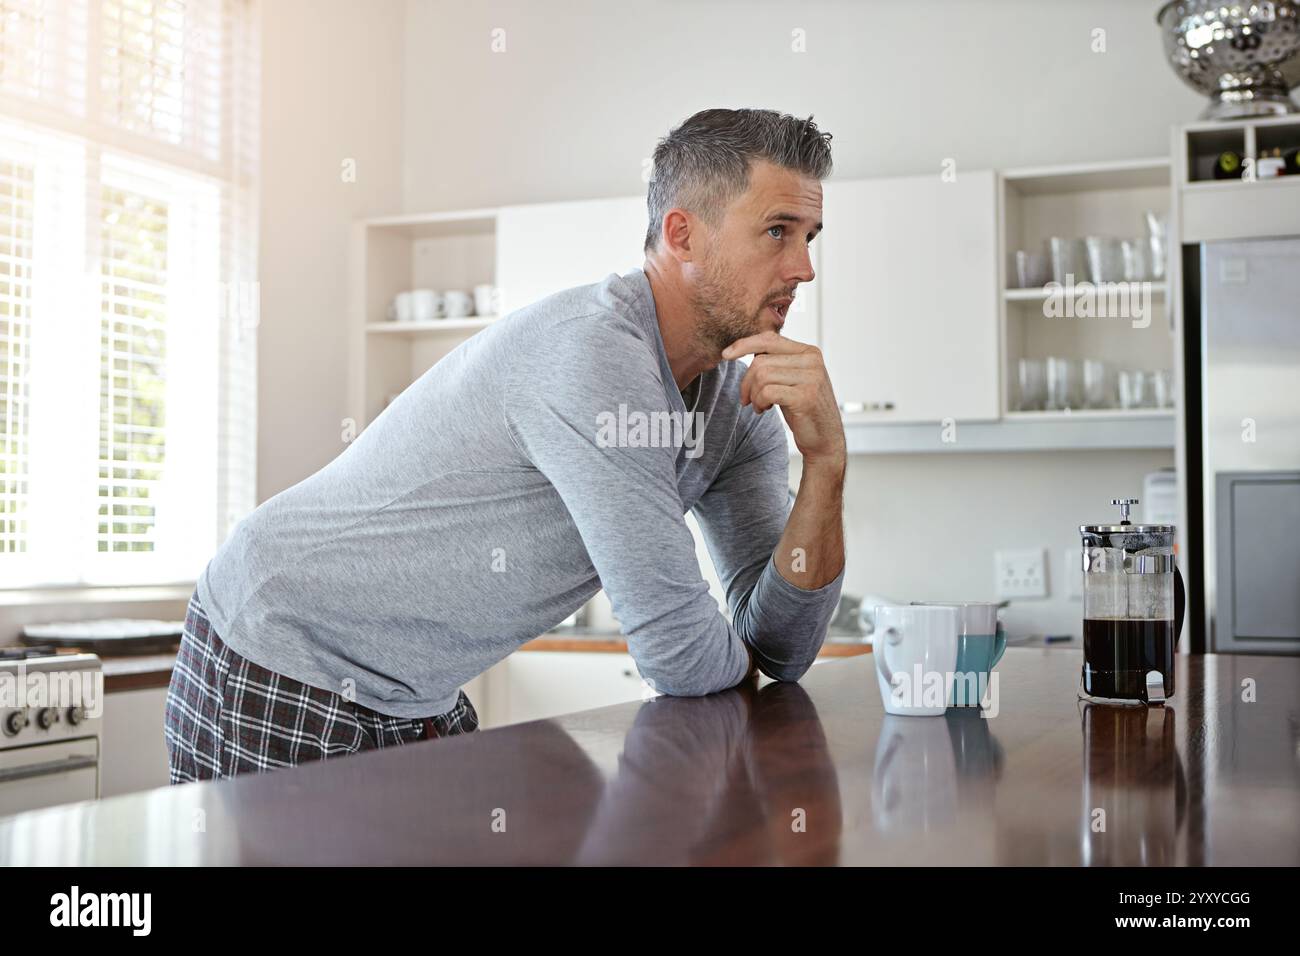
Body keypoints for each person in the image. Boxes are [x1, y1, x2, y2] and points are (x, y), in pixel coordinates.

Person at [164, 107, 847, 782]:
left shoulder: (741, 399)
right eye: (777, 232)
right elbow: (681, 656)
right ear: (683, 235)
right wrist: (738, 650)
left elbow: (783, 650)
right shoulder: (592, 352)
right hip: (283, 642)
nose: (803, 268)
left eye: (809, 237)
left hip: (414, 687)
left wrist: (825, 464)